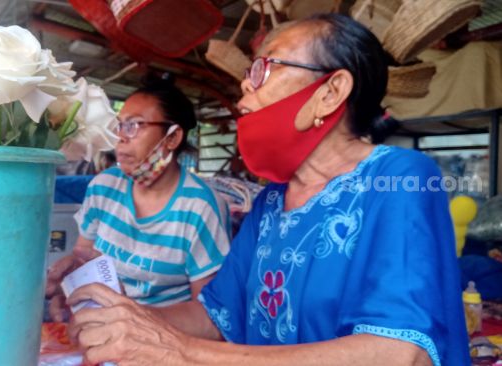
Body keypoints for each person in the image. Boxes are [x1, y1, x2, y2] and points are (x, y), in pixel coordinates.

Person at [65, 13, 470, 366]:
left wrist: (182, 355)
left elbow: (402, 354)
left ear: (330, 92)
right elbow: (215, 315)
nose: (245, 88)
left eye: (262, 69)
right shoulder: (272, 200)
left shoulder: (401, 177)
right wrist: (119, 318)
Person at [45, 75, 231, 320]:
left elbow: (207, 314)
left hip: (161, 337)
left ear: (173, 138)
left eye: (133, 126)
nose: (120, 137)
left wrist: (133, 319)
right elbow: (83, 256)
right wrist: (70, 286)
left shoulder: (200, 207)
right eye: (119, 125)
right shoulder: (104, 187)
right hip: (99, 322)